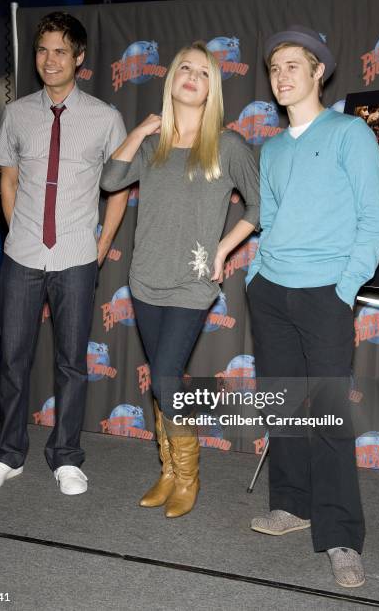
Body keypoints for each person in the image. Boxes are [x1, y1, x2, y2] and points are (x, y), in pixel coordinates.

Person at [245, 25, 379, 587]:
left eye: (292, 67)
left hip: (326, 293)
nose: (281, 77)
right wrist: (257, 275)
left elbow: (372, 221)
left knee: (328, 417)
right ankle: (293, 504)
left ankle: (340, 536)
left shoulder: (352, 133)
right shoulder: (273, 147)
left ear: (317, 72)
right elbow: (271, 219)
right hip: (272, 291)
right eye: (274, 68)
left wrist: (344, 287)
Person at [0, 12, 128, 495]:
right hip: (21, 255)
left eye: (61, 51)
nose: (50, 60)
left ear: (79, 58)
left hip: (77, 255)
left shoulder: (105, 117)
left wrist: (101, 247)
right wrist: (18, 234)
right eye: (42, 50)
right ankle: (9, 454)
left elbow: (119, 189)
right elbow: (9, 178)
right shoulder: (18, 113)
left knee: (71, 363)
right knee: (14, 360)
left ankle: (66, 457)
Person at [101, 41, 259, 518]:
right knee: (163, 384)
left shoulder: (228, 144)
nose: (192, 76)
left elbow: (262, 204)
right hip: (145, 279)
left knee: (168, 377)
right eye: (184, 68)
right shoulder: (152, 144)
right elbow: (110, 182)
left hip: (192, 283)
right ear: (172, 79)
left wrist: (225, 246)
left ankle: (188, 476)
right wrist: (141, 129)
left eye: (203, 71)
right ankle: (168, 471)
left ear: (213, 87)